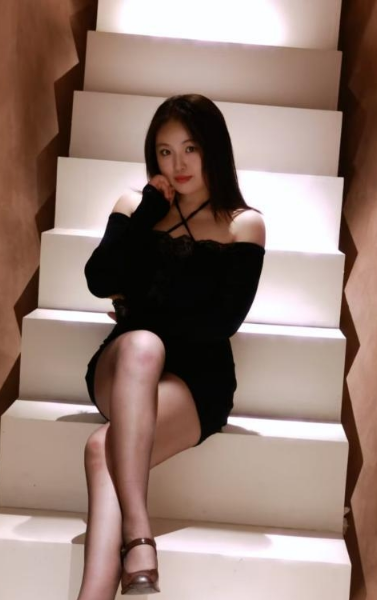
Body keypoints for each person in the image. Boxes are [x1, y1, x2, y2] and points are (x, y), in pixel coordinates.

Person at [78, 94, 266, 599]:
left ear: (213, 150)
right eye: (164, 151)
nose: (177, 164)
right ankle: (140, 537)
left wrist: (143, 308)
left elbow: (221, 323)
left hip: (197, 380)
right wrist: (149, 213)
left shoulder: (243, 224)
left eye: (190, 148)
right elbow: (99, 280)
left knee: (101, 448)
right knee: (141, 345)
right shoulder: (135, 206)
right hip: (124, 368)